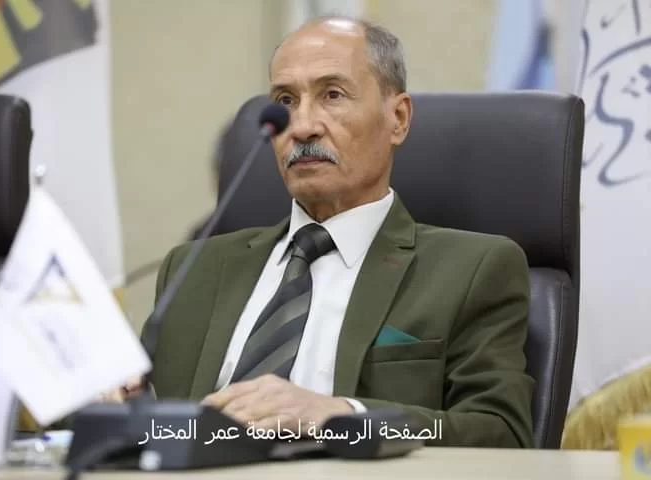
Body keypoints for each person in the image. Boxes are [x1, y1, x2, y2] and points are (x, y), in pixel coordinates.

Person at [121, 16, 535, 448]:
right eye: (285, 100)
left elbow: (501, 433)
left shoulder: (473, 269)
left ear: (397, 118)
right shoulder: (194, 269)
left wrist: (343, 417)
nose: (302, 127)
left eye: (332, 95)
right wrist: (115, 404)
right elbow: (154, 424)